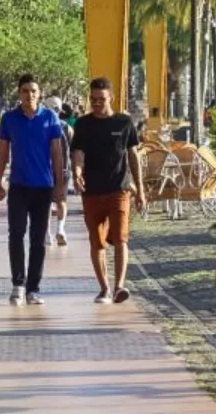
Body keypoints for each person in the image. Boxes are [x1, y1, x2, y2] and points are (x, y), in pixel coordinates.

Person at [71, 77, 146, 304]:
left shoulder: (124, 123)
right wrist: (77, 173)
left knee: (121, 238)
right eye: (92, 99)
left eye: (101, 99)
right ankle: (104, 287)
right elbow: (78, 153)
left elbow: (133, 156)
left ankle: (119, 286)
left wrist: (140, 190)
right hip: (92, 192)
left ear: (111, 98)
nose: (96, 103)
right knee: (97, 241)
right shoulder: (83, 124)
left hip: (119, 190)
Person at [0, 74, 65, 306]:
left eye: (33, 91)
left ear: (39, 94)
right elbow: (3, 153)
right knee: (16, 234)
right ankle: (18, 284)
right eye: (25, 91)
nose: (29, 95)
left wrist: (59, 185)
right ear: (19, 93)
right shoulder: (9, 119)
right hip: (18, 186)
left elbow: (57, 152)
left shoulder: (50, 118)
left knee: (38, 239)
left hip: (43, 187)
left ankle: (34, 288)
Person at [45, 110, 72, 247]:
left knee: (47, 203)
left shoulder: (43, 125)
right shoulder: (67, 127)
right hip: (64, 170)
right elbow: (73, 150)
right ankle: (60, 229)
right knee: (61, 200)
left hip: (45, 170)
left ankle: (47, 234)